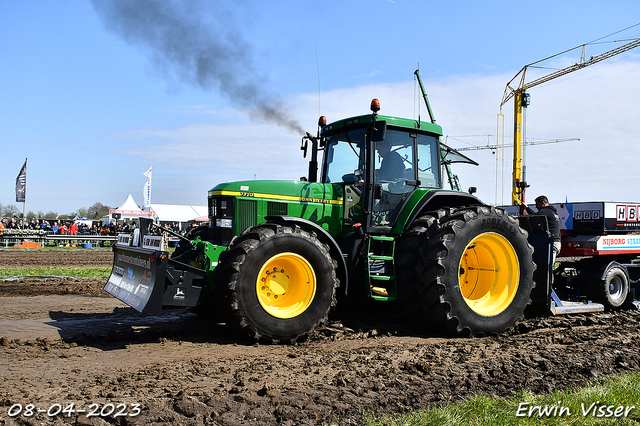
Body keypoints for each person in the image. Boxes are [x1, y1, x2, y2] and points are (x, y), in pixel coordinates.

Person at [523, 195, 561, 265]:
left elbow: (534, 217)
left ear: (543, 203)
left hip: (551, 243)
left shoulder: (546, 211)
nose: (536, 207)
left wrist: (526, 209)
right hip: (557, 242)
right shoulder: (553, 212)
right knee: (548, 267)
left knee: (547, 267)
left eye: (537, 204)